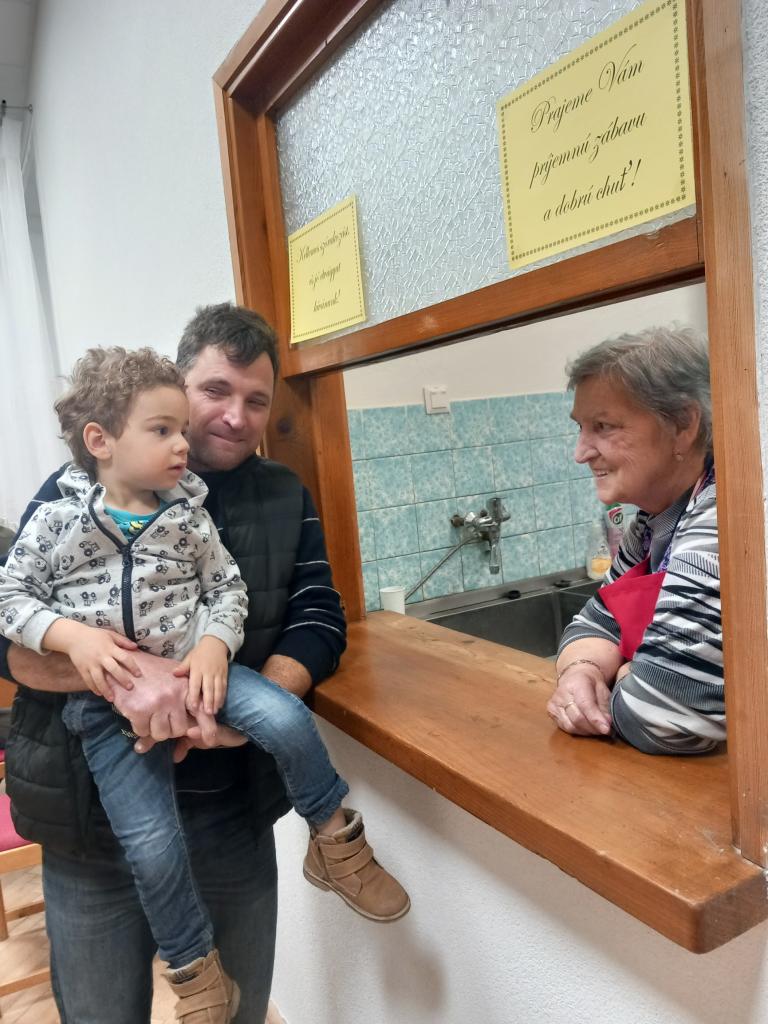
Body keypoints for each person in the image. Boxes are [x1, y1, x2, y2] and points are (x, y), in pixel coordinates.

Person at [0, 347, 409, 1019]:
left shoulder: (206, 509)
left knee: (285, 720)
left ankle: (336, 842)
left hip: (228, 794)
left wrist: (218, 650)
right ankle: (194, 973)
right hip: (90, 808)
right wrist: (90, 654)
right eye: (213, 393)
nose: (229, 418)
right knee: (110, 984)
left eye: (257, 400)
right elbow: (9, 606)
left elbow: (288, 606)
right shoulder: (62, 507)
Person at [546, 326, 724, 755]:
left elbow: (660, 717)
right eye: (581, 428)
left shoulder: (720, 520)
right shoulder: (651, 523)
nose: (581, 452)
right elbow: (596, 622)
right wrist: (583, 671)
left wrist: (623, 673)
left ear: (682, 425)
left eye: (603, 426)